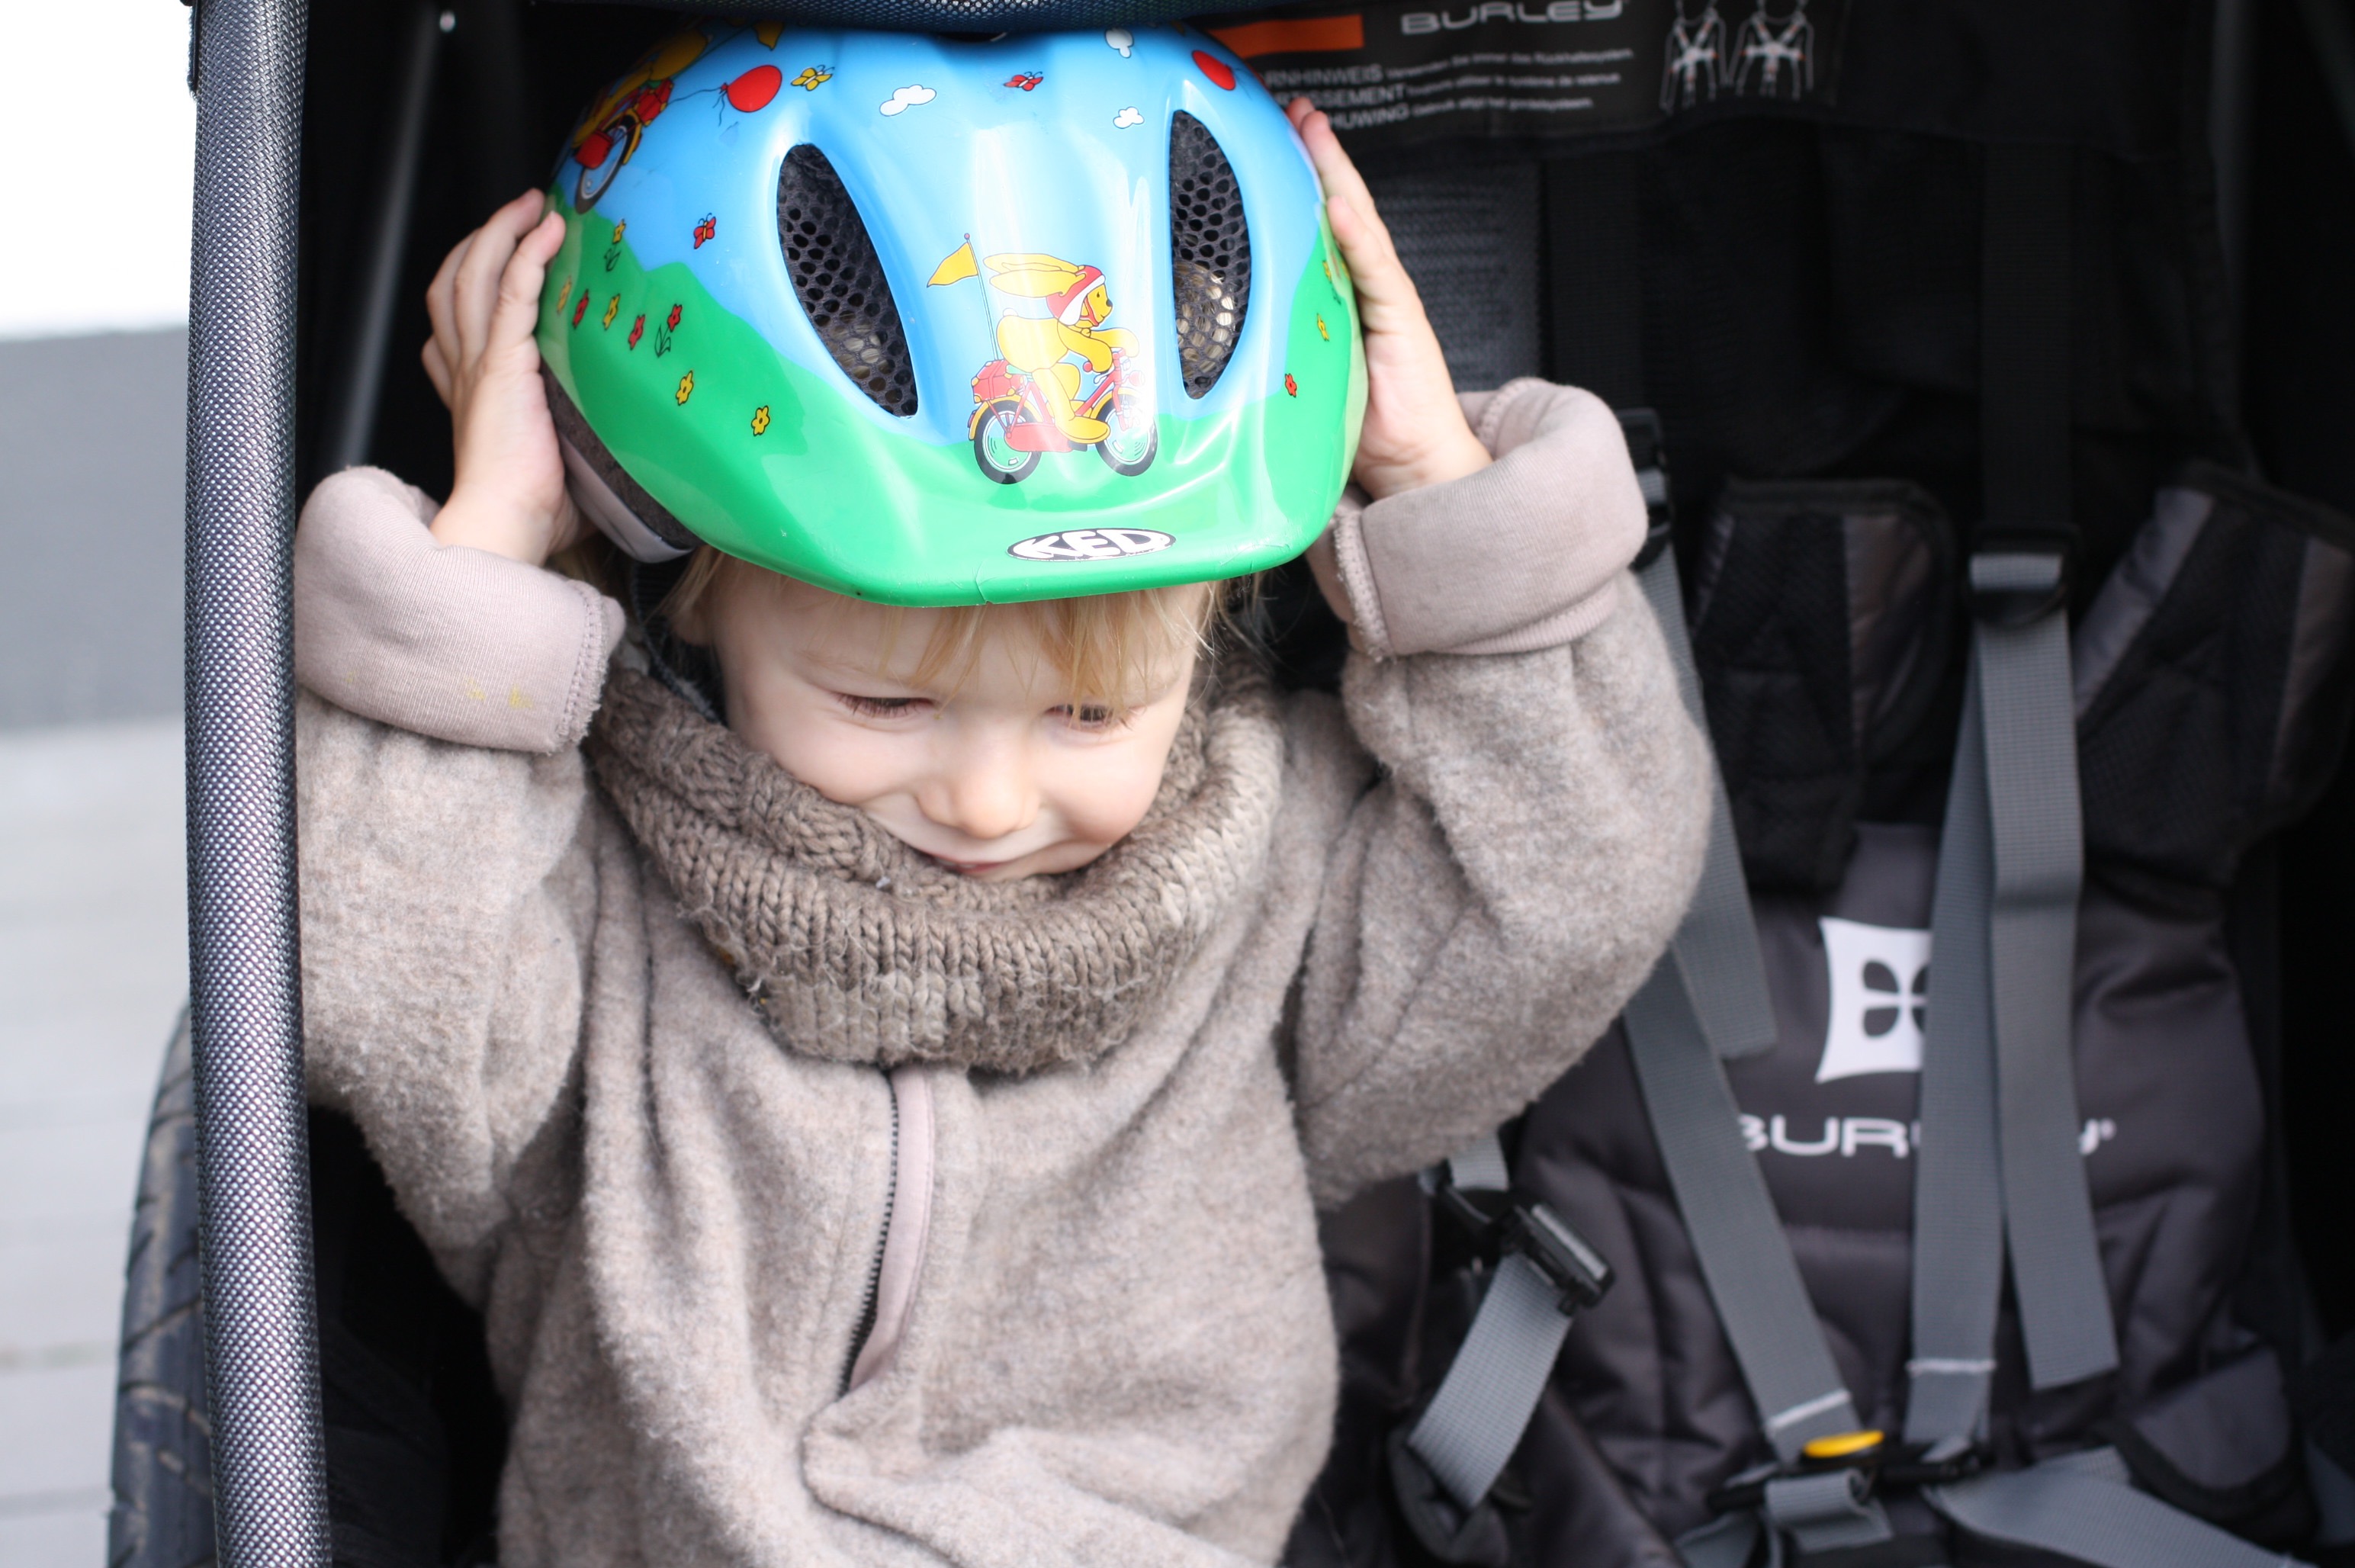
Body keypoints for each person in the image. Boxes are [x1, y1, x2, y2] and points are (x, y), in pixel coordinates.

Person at [289, 23, 1708, 1567]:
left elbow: (1567, 890)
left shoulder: (1261, 891)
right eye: (882, 700)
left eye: (1093, 711)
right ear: (683, 596)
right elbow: (383, 1002)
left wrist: (1442, 497)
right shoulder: (594, 897)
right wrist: (489, 553)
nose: (984, 796)